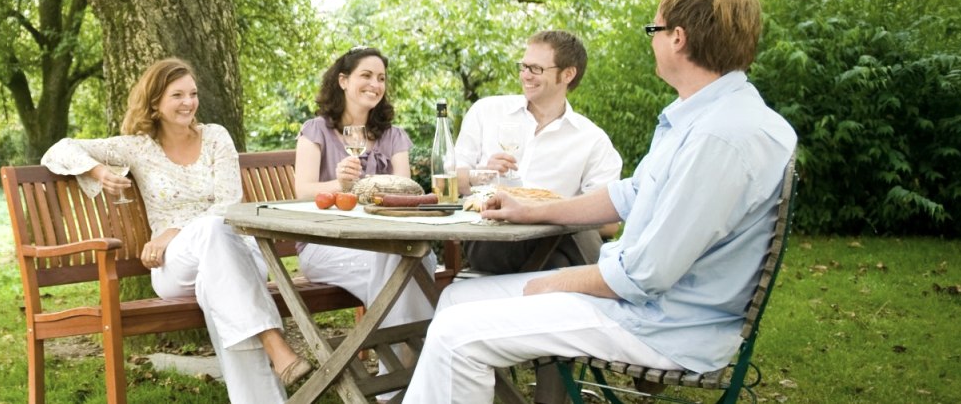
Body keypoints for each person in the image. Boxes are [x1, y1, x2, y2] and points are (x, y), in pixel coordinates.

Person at [402, 0, 798, 403]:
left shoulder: (719, 138)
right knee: (459, 299)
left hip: (665, 325)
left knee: (459, 333)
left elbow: (646, 274)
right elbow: (629, 195)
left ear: (677, 38)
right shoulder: (706, 117)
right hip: (653, 306)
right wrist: (531, 210)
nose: (653, 41)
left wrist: (555, 283)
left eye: (655, 30)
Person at [41, 57, 310, 403]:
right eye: (177, 95)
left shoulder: (216, 137)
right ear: (155, 103)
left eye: (193, 94)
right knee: (216, 243)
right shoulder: (137, 146)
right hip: (173, 266)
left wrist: (171, 232)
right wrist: (97, 170)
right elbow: (60, 149)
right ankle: (275, 344)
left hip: (231, 252)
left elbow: (228, 205)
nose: (188, 103)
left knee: (218, 277)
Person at [292, 47, 436, 400]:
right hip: (326, 244)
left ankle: (398, 385)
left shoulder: (393, 135)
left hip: (382, 244)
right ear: (343, 81)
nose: (375, 84)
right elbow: (301, 192)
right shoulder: (315, 131)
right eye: (366, 76)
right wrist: (338, 185)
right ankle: (411, 381)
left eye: (381, 78)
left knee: (414, 257)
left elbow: (406, 192)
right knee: (405, 263)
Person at [452, 30, 622, 273]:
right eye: (523, 67)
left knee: (563, 253)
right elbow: (447, 182)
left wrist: (544, 212)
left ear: (568, 74)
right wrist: (482, 174)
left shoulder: (593, 139)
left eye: (536, 69)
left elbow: (608, 223)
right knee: (575, 253)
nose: (525, 75)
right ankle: (605, 284)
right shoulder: (486, 111)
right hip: (492, 238)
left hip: (557, 240)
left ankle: (554, 288)